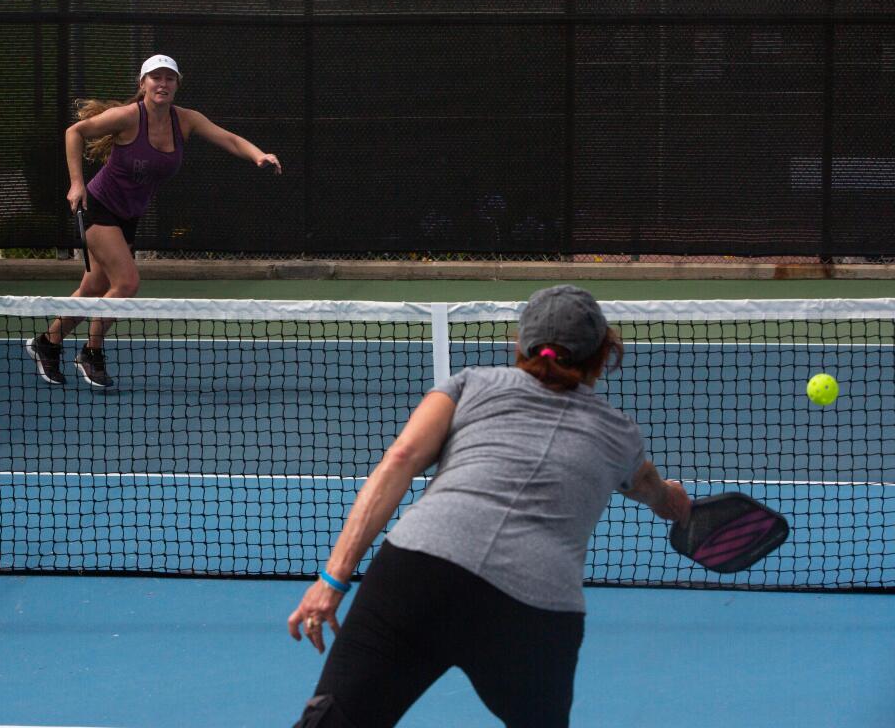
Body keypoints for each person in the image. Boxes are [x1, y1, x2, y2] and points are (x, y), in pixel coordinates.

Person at [287, 285, 692, 728]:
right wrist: (672, 501)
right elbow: (652, 490)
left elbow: (400, 459)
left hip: (419, 572)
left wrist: (332, 580)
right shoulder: (621, 435)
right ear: (602, 354)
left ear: (519, 345)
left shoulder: (470, 384)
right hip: (534, 604)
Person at [26, 54, 281, 387]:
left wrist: (258, 154)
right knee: (127, 283)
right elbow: (75, 132)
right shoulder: (128, 117)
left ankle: (48, 343)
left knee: (94, 288)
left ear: (177, 84)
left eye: (169, 78)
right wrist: (76, 182)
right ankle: (92, 352)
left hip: (128, 216)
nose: (162, 84)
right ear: (143, 84)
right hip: (99, 207)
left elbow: (229, 138)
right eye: (156, 78)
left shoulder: (186, 120)